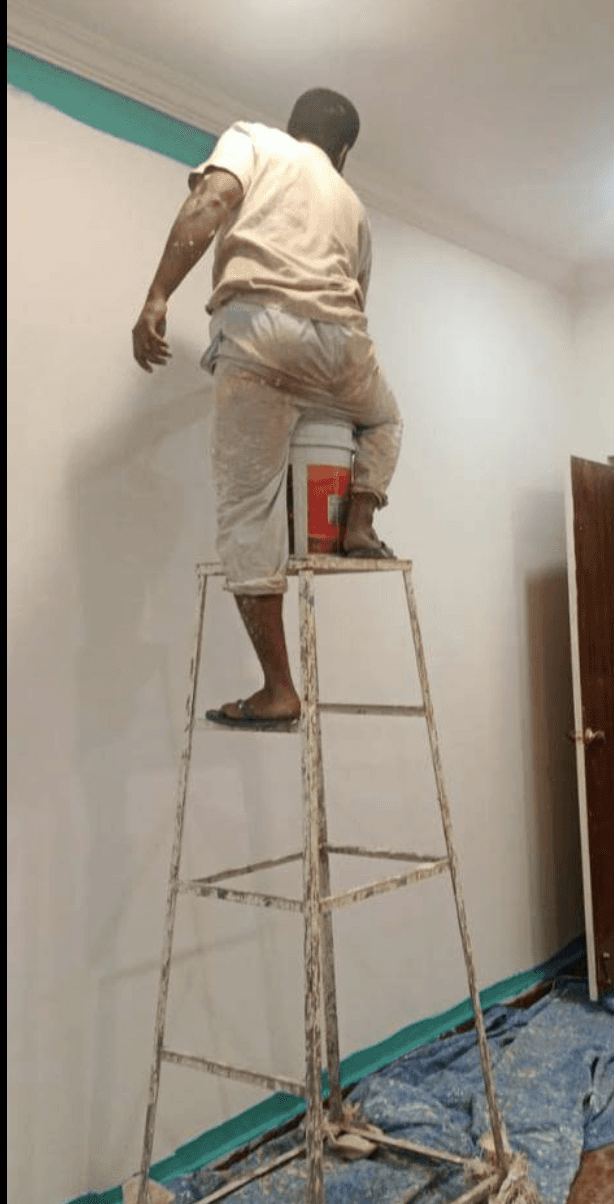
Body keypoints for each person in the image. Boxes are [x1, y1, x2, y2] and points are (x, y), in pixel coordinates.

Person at [132, 88, 401, 730]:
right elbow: (357, 297)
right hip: (341, 345)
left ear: (292, 126)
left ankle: (279, 689)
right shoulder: (352, 203)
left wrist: (158, 295)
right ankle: (360, 525)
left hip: (260, 336)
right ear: (343, 150)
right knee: (384, 418)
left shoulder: (255, 140)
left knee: (248, 509)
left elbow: (212, 201)